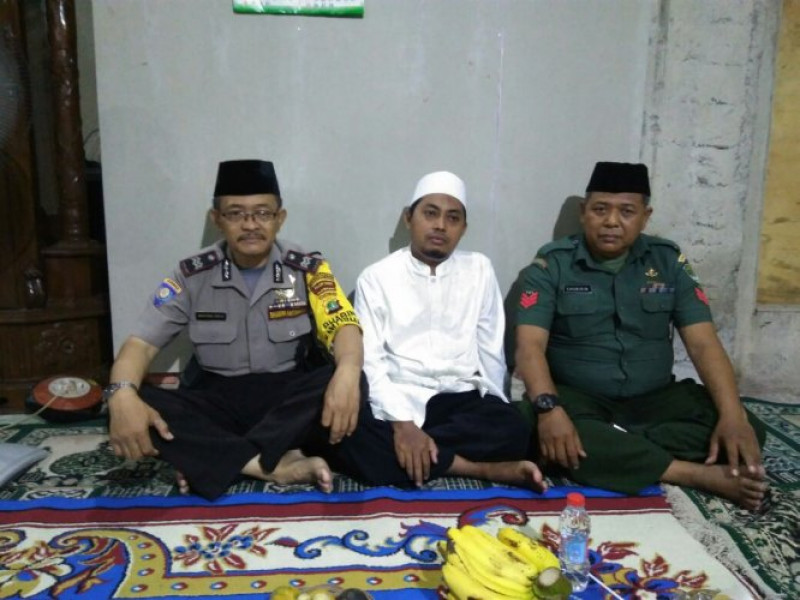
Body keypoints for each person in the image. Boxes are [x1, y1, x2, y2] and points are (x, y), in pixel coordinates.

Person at [514, 161, 768, 510]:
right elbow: (529, 347)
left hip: (655, 401)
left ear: (645, 217)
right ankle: (691, 473)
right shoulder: (552, 264)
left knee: (746, 426)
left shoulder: (668, 261)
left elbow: (703, 344)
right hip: (580, 400)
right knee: (534, 422)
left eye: (626, 211)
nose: (612, 221)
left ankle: (621, 451)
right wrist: (550, 410)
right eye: (600, 209)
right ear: (583, 212)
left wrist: (732, 415)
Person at [105, 159, 363, 500]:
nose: (251, 224)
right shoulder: (192, 274)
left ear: (280, 218)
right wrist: (122, 395)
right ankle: (267, 463)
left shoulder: (306, 267)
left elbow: (342, 325)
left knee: (352, 377)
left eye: (263, 213)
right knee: (128, 400)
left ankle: (214, 457)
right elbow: (141, 344)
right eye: (235, 214)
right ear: (217, 219)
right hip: (217, 398)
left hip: (285, 398)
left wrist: (348, 371)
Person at [335, 171, 545, 491]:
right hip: (399, 396)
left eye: (453, 218)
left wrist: (499, 406)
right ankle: (478, 468)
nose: (441, 226)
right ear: (409, 218)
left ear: (463, 228)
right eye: (430, 214)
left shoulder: (479, 269)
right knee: (349, 436)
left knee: (515, 429)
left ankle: (420, 455)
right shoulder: (376, 278)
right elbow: (372, 361)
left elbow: (490, 350)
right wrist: (402, 425)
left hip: (461, 398)